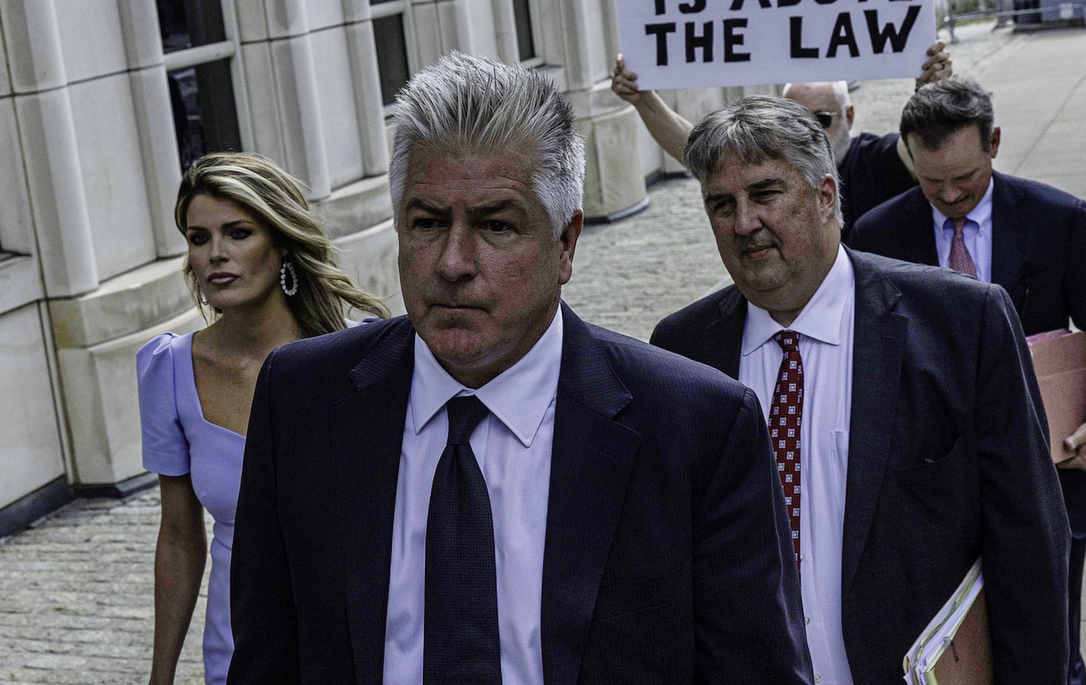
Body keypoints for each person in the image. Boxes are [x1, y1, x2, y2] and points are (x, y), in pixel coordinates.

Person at [226, 53, 811, 685]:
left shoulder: (696, 426)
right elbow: (265, 658)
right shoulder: (302, 398)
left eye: (496, 225)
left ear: (566, 244)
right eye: (427, 223)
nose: (452, 262)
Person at [650, 96, 1071, 684]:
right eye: (722, 204)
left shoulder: (959, 323)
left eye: (766, 194)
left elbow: (1029, 544)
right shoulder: (682, 351)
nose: (743, 223)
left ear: (825, 196)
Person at [852, 78, 1086, 685]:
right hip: (927, 488)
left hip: (1045, 474)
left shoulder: (1057, 219)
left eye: (964, 177)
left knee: (1050, 647)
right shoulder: (875, 236)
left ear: (995, 143)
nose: (950, 194)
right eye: (931, 181)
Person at [138, 152, 389, 685]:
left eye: (238, 233)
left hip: (360, 640)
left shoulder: (358, 357)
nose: (216, 254)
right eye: (199, 238)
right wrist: (160, 677)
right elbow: (180, 538)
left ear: (282, 242)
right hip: (240, 647)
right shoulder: (169, 371)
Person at [610, 42, 953, 235]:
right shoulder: (772, 162)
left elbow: (920, 154)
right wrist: (643, 100)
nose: (811, 132)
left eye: (821, 119)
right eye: (797, 120)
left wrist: (928, 90)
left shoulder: (874, 158)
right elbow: (696, 149)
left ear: (848, 116)